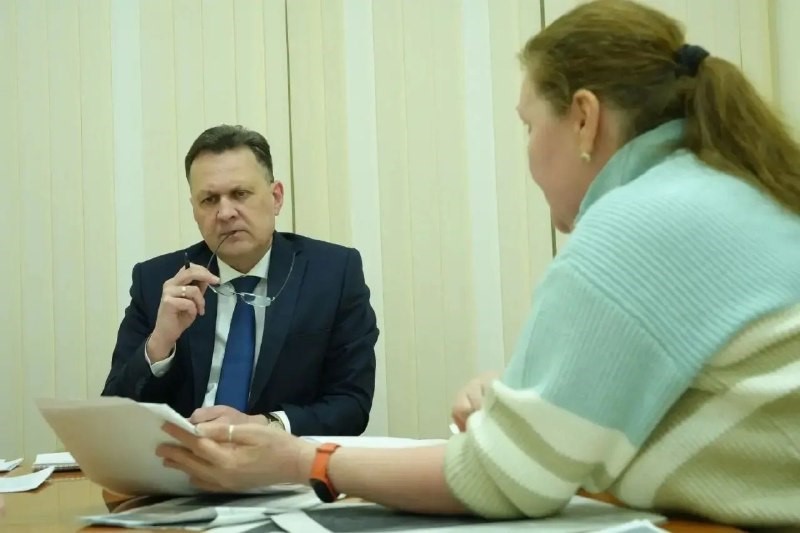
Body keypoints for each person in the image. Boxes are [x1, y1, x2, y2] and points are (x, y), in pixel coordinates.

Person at [155, 0, 800, 528]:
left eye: (528, 126)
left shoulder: (636, 224)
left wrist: (303, 460)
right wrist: (530, 403)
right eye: (208, 199)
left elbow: (503, 478)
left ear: (583, 119)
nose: (529, 153)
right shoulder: (723, 189)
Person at [102, 125, 379, 437]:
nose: (225, 213)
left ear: (276, 198)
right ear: (194, 210)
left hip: (281, 459)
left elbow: (351, 405)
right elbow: (113, 416)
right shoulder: (159, 282)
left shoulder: (333, 274)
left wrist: (264, 425)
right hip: (183, 460)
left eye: (240, 194)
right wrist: (160, 343)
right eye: (209, 199)